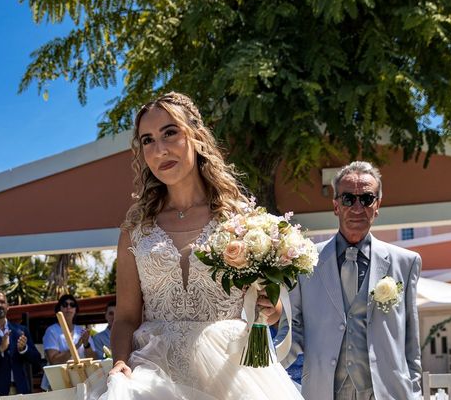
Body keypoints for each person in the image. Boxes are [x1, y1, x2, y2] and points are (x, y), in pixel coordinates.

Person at [95, 92, 303, 399]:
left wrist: (271, 309)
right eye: (148, 140)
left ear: (196, 135)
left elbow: (268, 310)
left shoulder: (239, 219)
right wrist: (121, 363)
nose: (160, 149)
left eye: (170, 133)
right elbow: (126, 317)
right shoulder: (135, 229)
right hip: (154, 374)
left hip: (231, 373)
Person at [287, 161, 422, 400]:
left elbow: (411, 341)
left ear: (377, 206)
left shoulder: (406, 262)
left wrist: (415, 394)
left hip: (387, 392)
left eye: (367, 199)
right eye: (348, 199)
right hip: (324, 391)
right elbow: (294, 331)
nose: (358, 207)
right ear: (336, 206)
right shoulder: (304, 262)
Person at [41, 293, 97, 390]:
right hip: (58, 382)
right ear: (59, 309)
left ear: (76, 310)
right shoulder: (52, 331)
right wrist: (77, 345)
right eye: (65, 304)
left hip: (82, 381)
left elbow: (93, 359)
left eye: (72, 305)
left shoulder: (81, 330)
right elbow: (54, 361)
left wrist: (86, 344)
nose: (68, 307)